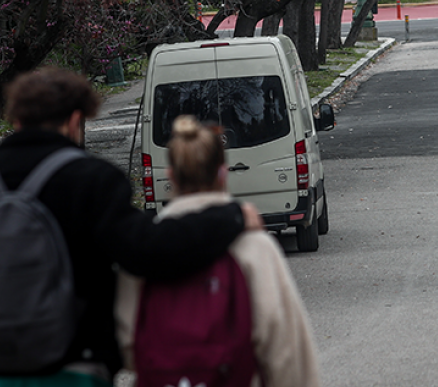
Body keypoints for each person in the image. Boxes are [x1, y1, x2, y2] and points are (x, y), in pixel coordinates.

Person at [0, 68, 259, 382]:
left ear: (17, 120)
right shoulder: (92, 180)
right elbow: (148, 251)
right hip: (76, 366)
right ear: (75, 121)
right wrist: (229, 216)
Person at [116, 116, 320, 387]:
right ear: (222, 172)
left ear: (172, 175)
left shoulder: (144, 249)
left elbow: (128, 339)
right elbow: (284, 348)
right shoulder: (253, 247)